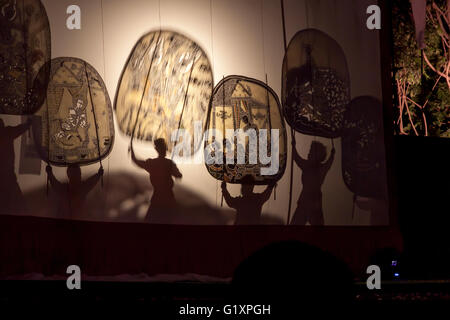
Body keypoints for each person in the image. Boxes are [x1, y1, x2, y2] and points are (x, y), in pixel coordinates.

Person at [130, 138, 182, 223]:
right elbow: (179, 176)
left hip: (156, 200)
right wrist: (172, 169)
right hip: (168, 200)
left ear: (156, 149)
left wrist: (131, 150)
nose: (165, 149)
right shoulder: (169, 163)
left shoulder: (152, 163)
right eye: (164, 147)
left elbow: (135, 160)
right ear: (162, 149)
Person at [290, 137, 335, 225]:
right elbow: (296, 157)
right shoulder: (310, 165)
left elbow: (296, 158)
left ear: (317, 155)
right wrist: (293, 146)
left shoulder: (315, 167)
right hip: (311, 202)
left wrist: (293, 146)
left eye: (311, 152)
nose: (308, 153)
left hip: (311, 202)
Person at [0, 118, 32, 214]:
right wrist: (29, 123)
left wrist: (27, 124)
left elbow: (20, 129)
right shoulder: (7, 132)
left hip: (8, 177)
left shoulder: (7, 132)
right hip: (8, 177)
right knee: (18, 206)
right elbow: (20, 129)